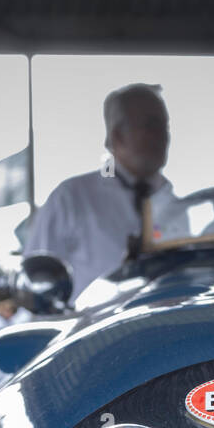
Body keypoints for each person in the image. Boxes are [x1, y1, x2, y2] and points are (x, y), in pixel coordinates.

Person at [25, 83, 172, 299]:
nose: (163, 136)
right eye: (151, 125)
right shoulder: (71, 198)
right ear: (117, 136)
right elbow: (38, 286)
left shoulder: (172, 200)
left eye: (165, 126)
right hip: (97, 330)